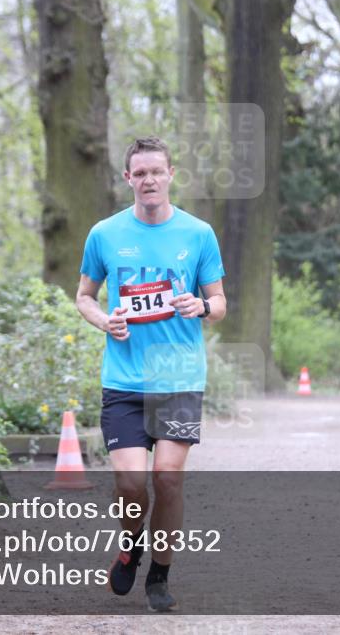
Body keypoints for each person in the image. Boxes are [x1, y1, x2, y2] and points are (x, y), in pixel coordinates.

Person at [75, 136, 226, 612]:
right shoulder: (104, 234)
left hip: (179, 377)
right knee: (130, 483)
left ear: (170, 174)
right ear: (128, 179)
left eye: (156, 172)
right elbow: (84, 296)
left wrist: (200, 305)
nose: (149, 180)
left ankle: (160, 574)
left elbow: (220, 304)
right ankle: (131, 543)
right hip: (123, 379)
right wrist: (104, 319)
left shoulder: (198, 233)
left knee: (168, 478)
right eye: (139, 174)